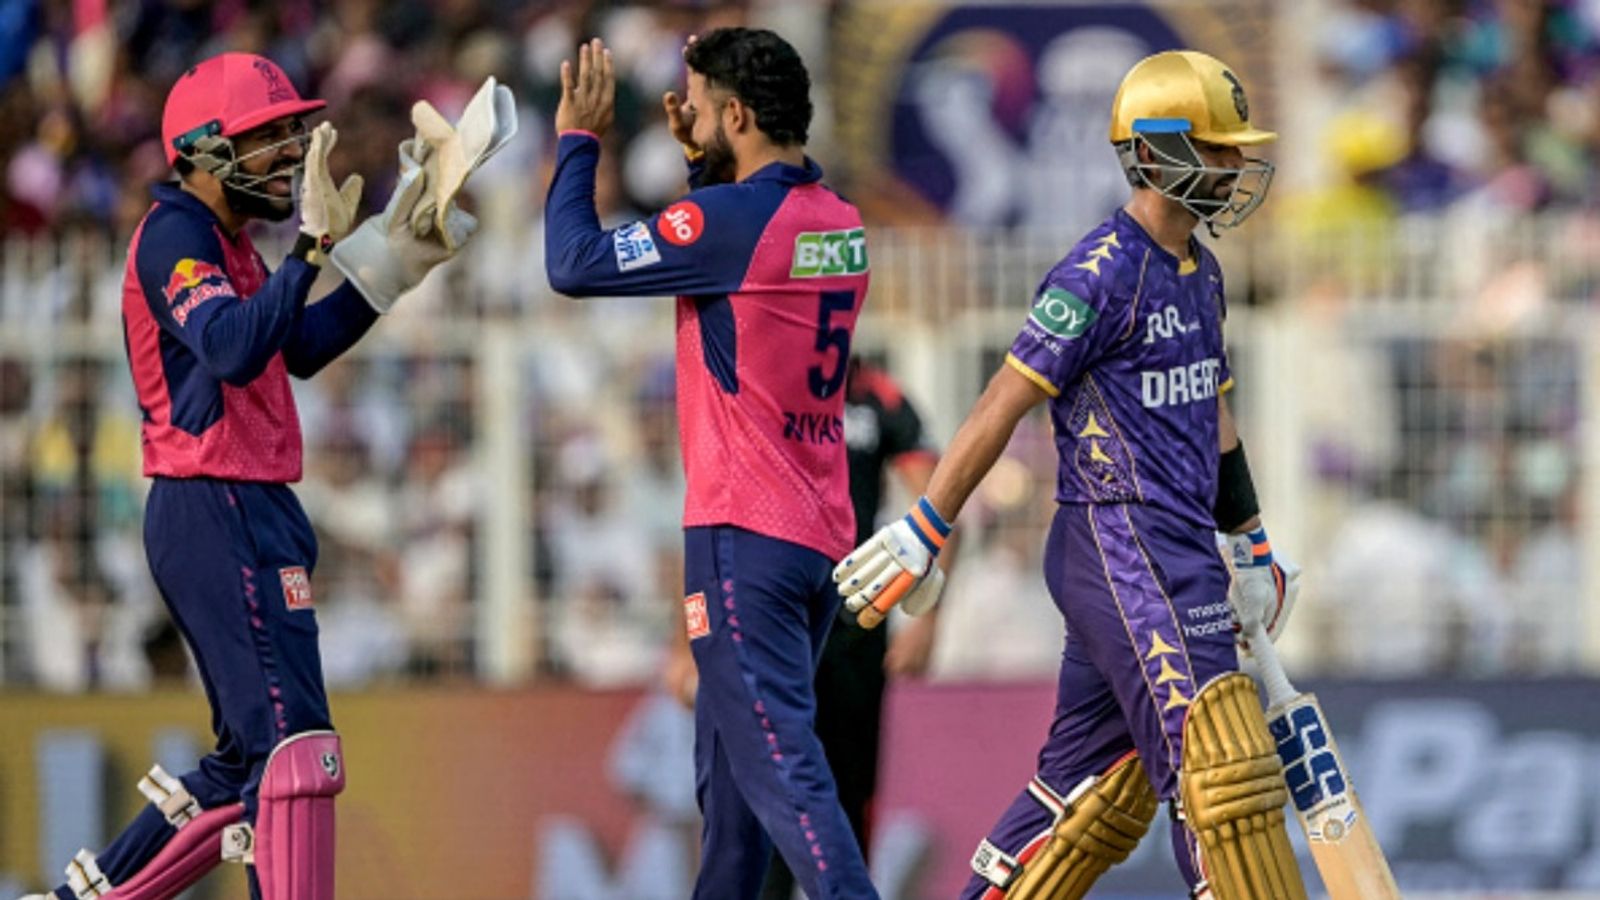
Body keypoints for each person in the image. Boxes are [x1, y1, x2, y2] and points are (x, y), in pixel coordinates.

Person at [834, 50, 1306, 900]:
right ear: (1158, 155)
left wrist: (1252, 541)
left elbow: (1216, 410)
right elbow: (1000, 402)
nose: (1237, 167)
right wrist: (926, 527)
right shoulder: (1100, 273)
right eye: (1218, 149)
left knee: (1088, 797)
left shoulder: (1203, 272)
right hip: (1121, 544)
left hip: (1180, 549)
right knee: (1221, 775)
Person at [28, 51, 495, 900]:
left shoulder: (230, 243)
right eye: (269, 138)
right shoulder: (176, 233)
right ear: (206, 154)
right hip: (214, 503)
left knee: (251, 761)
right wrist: (312, 248)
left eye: (289, 133)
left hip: (246, 504)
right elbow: (234, 348)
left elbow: (299, 349)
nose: (291, 154)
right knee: (295, 755)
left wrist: (392, 264)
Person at [544, 29, 878, 900]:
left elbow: (572, 264)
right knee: (730, 814)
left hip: (743, 537)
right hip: (815, 541)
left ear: (735, 113)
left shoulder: (732, 223)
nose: (681, 115)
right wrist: (704, 169)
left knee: (783, 777)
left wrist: (581, 139)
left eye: (694, 103)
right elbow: (732, 268)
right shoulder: (839, 220)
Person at [757, 355, 950, 900]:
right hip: (777, 618)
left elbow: (937, 503)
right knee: (771, 786)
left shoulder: (876, 397)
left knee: (851, 790)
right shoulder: (766, 382)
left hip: (853, 625)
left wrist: (928, 619)